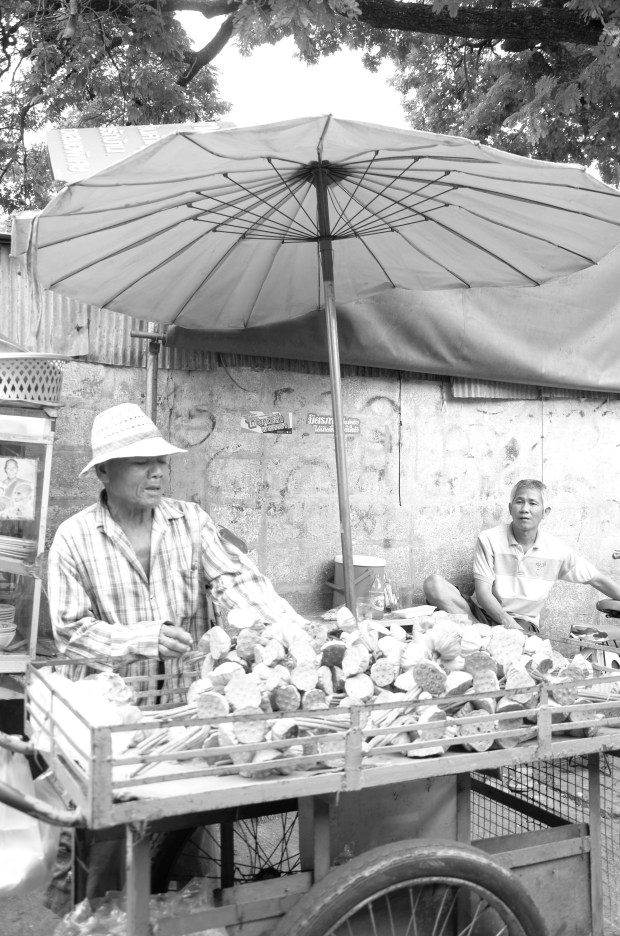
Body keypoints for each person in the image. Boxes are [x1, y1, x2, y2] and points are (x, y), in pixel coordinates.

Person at [46, 402, 309, 905]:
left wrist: (296, 632)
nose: (157, 471)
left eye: (161, 460)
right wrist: (140, 638)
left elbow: (238, 583)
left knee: (179, 849)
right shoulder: (73, 539)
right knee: (100, 858)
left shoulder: (190, 521)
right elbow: (70, 633)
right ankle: (88, 919)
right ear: (103, 472)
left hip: (186, 718)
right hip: (116, 726)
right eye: (141, 461)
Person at [423, 478, 620, 634]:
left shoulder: (557, 550)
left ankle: (481, 638)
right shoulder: (489, 539)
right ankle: (481, 636)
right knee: (434, 585)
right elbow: (483, 594)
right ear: (510, 508)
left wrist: (514, 628)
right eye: (519, 502)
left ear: (545, 512)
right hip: (481, 614)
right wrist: (507, 624)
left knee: (516, 639)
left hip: (522, 623)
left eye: (533, 503)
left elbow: (597, 579)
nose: (525, 509)